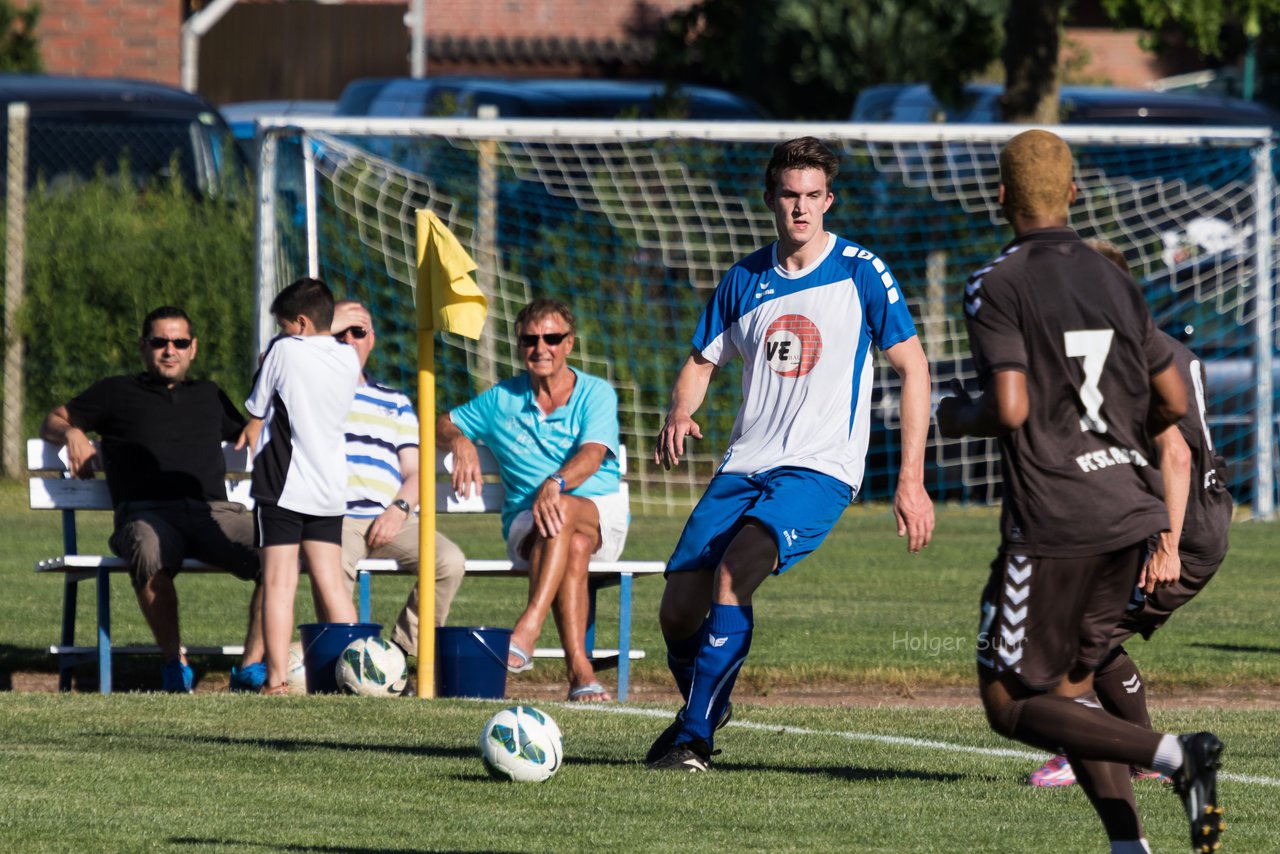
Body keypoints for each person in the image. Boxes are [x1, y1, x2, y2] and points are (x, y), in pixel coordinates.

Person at [935, 130, 1224, 853]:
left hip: (1055, 520)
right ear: (1074, 193)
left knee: (1009, 702)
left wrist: (956, 412)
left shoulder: (996, 282)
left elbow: (1008, 407)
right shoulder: (1113, 279)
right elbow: (1170, 399)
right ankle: (1131, 847)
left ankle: (1174, 756)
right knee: (1071, 687)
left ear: (999, 196)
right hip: (1130, 513)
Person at [646, 136, 936, 772]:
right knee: (677, 610)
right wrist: (680, 410)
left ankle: (694, 738)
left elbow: (914, 368)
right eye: (789, 196)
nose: (800, 209)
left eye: (812, 197)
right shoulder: (744, 279)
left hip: (819, 468)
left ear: (828, 200)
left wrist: (910, 480)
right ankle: (707, 701)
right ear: (770, 199)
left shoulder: (863, 271)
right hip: (745, 463)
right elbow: (701, 361)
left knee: (733, 574)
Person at [1027, 241, 1234, 789]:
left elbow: (1176, 454)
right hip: (1182, 519)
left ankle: (1085, 747)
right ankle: (1145, 753)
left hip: (1178, 529)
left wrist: (1166, 545)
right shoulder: (1150, 348)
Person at [40, 305, 264, 693]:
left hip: (214, 513)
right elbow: (52, 420)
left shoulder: (209, 394)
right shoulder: (115, 391)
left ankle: (250, 668)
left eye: (179, 342)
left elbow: (249, 427)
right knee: (145, 546)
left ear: (193, 348)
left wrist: (259, 421)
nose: (169, 350)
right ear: (144, 347)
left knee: (276, 552)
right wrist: (72, 433)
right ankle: (174, 665)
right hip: (147, 514)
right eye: (160, 342)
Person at [437, 298, 628, 702]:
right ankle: (580, 672)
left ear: (569, 344)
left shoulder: (597, 393)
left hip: (598, 511)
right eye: (530, 340)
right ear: (519, 345)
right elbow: (444, 422)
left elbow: (593, 455)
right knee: (569, 539)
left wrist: (555, 482)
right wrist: (460, 440)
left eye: (552, 338)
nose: (541, 348)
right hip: (528, 521)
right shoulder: (500, 399)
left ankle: (529, 627)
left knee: (564, 515)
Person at [238, 277, 362, 695]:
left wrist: (275, 348)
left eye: (286, 323)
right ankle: (358, 675)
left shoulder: (283, 349)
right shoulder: (349, 358)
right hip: (328, 488)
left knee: (279, 584)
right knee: (331, 584)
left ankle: (275, 681)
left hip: (282, 485)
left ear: (302, 323)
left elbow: (256, 404)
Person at [331, 299, 466, 654]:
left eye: (357, 331)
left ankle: (401, 654)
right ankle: (344, 658)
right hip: (335, 517)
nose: (348, 339)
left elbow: (416, 470)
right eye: (337, 332)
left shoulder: (395, 402)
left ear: (371, 339)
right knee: (334, 565)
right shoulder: (313, 393)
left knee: (448, 561)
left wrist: (399, 509)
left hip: (391, 515)